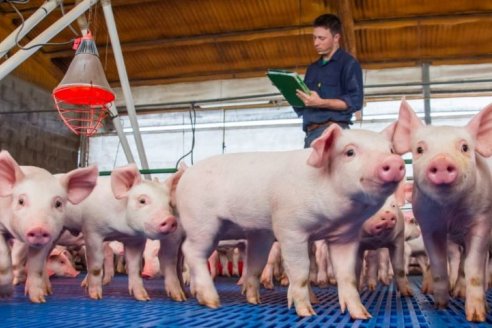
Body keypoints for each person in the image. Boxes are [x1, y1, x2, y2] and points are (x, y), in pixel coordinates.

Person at [294, 13, 364, 148]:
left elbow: (355, 102)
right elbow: (302, 106)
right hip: (310, 135)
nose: (316, 43)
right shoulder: (312, 68)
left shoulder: (348, 64)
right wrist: (288, 89)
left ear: (336, 37)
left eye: (321, 38)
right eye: (314, 38)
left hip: (334, 133)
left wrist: (321, 102)